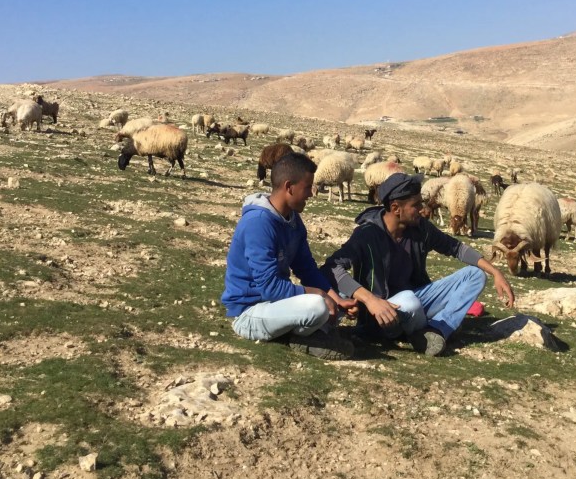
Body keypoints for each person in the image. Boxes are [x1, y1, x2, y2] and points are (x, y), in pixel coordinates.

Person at [321, 172, 515, 357]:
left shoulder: (421, 228)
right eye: (416, 205)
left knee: (475, 275)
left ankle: (436, 330)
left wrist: (495, 272)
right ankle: (409, 331)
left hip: (417, 300)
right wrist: (369, 300)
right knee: (408, 301)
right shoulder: (367, 235)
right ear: (396, 208)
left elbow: (456, 248)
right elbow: (332, 267)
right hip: (381, 314)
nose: (423, 209)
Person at [221, 152, 357, 360]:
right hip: (249, 312)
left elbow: (306, 268)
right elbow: (269, 287)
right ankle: (307, 336)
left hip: (275, 305)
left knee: (337, 300)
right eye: (307, 187)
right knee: (317, 306)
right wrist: (321, 295)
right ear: (288, 187)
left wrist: (337, 299)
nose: (311, 194)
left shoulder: (292, 220)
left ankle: (309, 331)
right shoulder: (258, 223)